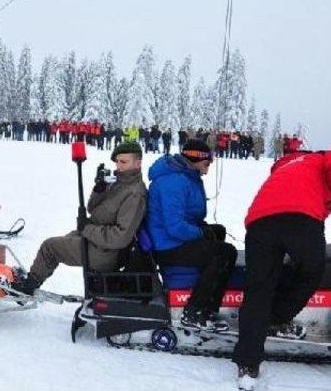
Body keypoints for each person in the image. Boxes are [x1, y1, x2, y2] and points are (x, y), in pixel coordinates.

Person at [232, 149, 331, 388]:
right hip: (300, 218)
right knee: (311, 271)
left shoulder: (286, 168)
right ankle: (277, 317)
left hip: (259, 222)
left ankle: (248, 364)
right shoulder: (322, 158)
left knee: (258, 289)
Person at [12, 142, 148, 294]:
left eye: (123, 162)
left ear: (138, 163)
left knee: (50, 247)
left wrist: (87, 229)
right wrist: (99, 189)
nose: (118, 166)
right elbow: (92, 209)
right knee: (63, 241)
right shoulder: (118, 183)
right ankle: (35, 277)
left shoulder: (135, 194)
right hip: (98, 244)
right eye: (117, 161)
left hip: (107, 253)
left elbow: (120, 237)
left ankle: (29, 285)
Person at [147, 139, 237, 331]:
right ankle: (195, 311)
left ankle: (207, 299)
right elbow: (174, 226)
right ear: (195, 160)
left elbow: (188, 216)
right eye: (206, 165)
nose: (206, 170)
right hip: (167, 246)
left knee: (218, 232)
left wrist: (205, 230)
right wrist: (201, 232)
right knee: (224, 253)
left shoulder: (186, 176)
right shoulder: (174, 182)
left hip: (172, 240)